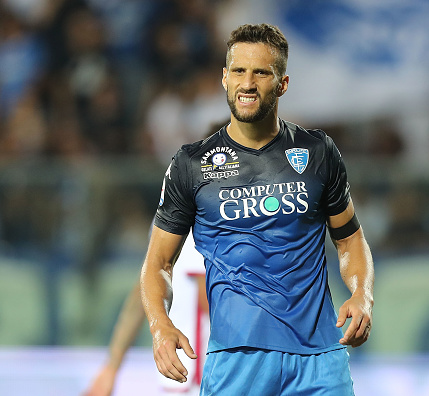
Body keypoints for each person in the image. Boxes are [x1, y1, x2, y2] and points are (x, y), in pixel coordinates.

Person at [140, 23, 374, 395]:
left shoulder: (317, 152)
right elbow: (157, 264)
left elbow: (350, 240)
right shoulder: (191, 164)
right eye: (238, 71)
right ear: (224, 77)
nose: (247, 84)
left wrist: (362, 294)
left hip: (320, 359)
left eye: (261, 73)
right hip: (237, 358)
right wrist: (159, 324)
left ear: (281, 83)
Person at [83, 235, 209, 396]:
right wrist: (111, 368)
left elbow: (142, 294)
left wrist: (112, 367)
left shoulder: (175, 217)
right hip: (200, 373)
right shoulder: (195, 222)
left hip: (186, 373)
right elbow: (144, 292)